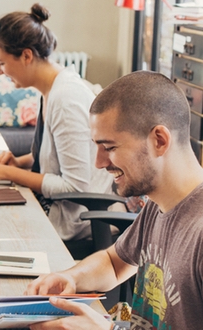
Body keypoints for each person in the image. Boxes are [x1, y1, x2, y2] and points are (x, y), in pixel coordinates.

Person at [26, 71, 203, 329]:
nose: (98, 163)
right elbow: (114, 262)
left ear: (160, 140)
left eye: (109, 148)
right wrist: (71, 277)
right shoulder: (159, 203)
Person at [0, 3, 111, 241]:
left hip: (72, 221)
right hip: (55, 208)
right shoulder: (52, 90)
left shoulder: (66, 99)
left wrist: (7, 172)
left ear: (26, 55)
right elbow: (59, 155)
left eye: (1, 63)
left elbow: (75, 187)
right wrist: (19, 163)